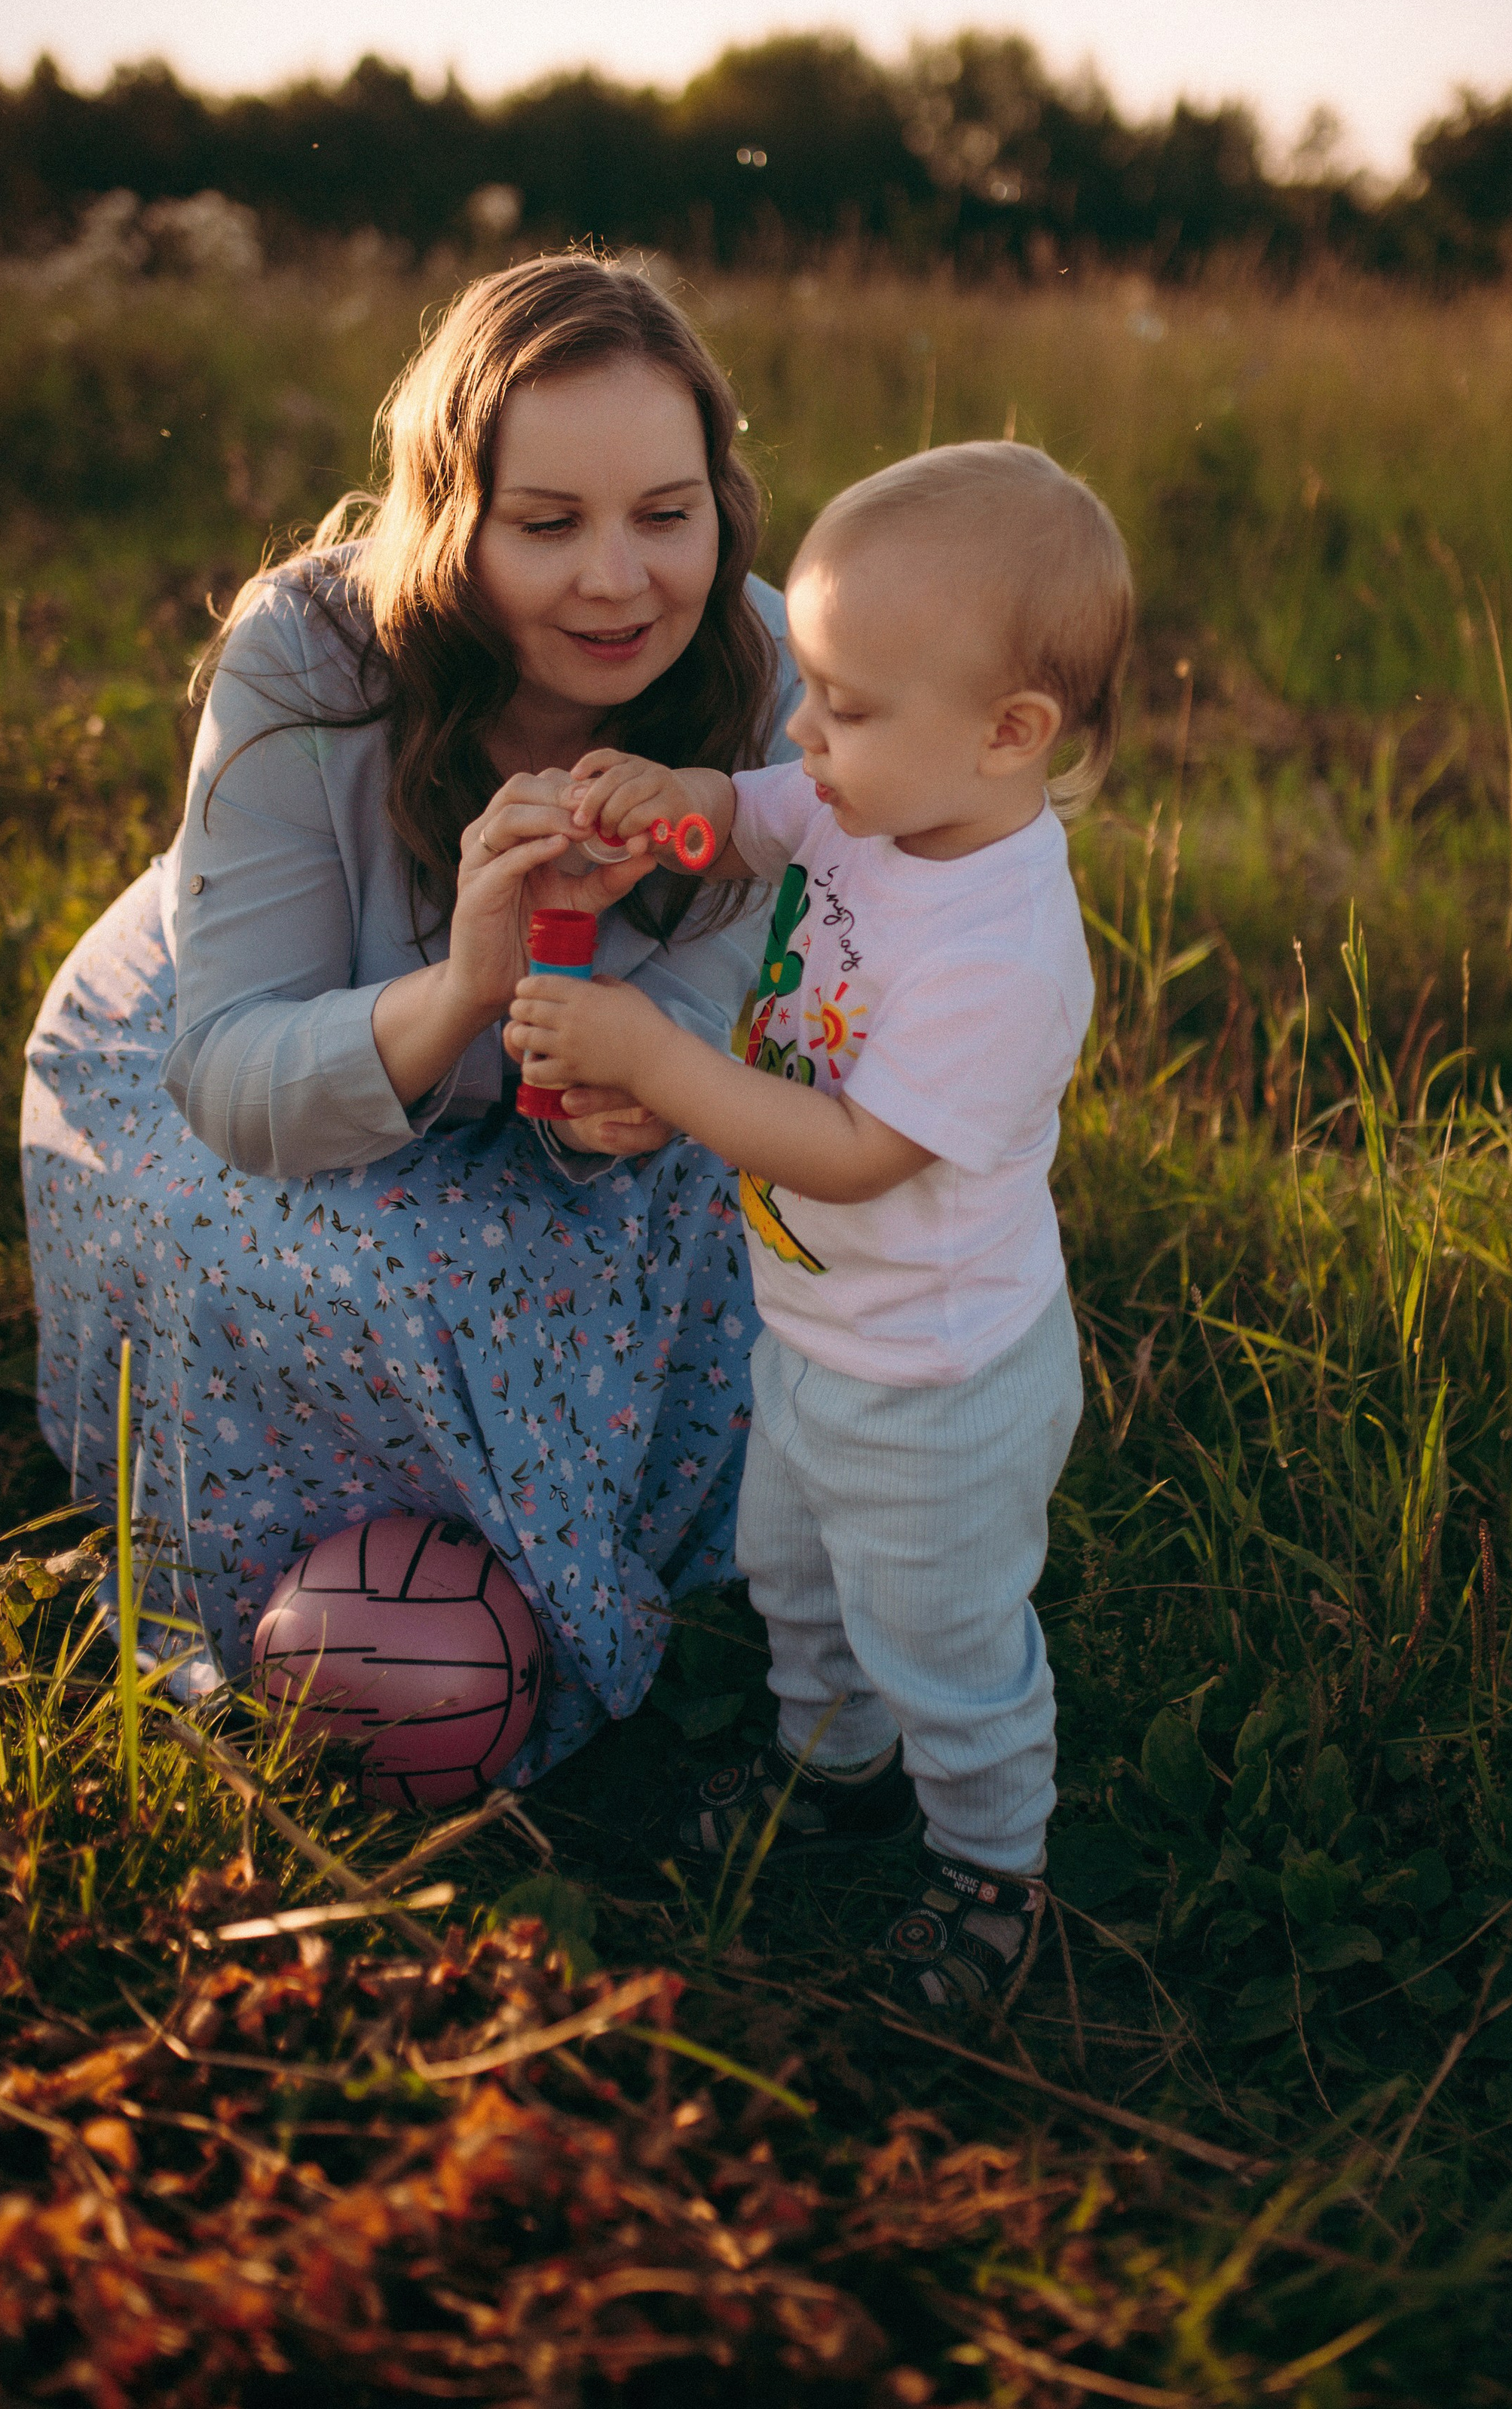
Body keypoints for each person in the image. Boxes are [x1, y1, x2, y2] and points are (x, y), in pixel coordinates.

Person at [20, 256, 800, 1779]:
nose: (617, 582)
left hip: (600, 1067)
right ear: (452, 518)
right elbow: (231, 1060)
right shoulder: (308, 652)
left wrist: (640, 1087)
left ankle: (567, 1557)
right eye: (546, 522)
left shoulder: (759, 669)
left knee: (744, 1190)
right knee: (274, 1247)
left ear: (721, 499)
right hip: (258, 1022)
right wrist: (462, 990)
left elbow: (718, 997)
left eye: (665, 512)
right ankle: (296, 1574)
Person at [506, 440, 1133, 2010]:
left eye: (844, 703)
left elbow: (854, 1151)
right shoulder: (879, 802)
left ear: (1008, 736)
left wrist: (661, 1060)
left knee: (940, 1633)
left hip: (936, 1381)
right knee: (792, 1572)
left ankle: (992, 1865)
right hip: (818, 1333)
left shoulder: (1003, 954)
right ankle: (826, 1763)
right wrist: (682, 806)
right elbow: (772, 812)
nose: (806, 725)